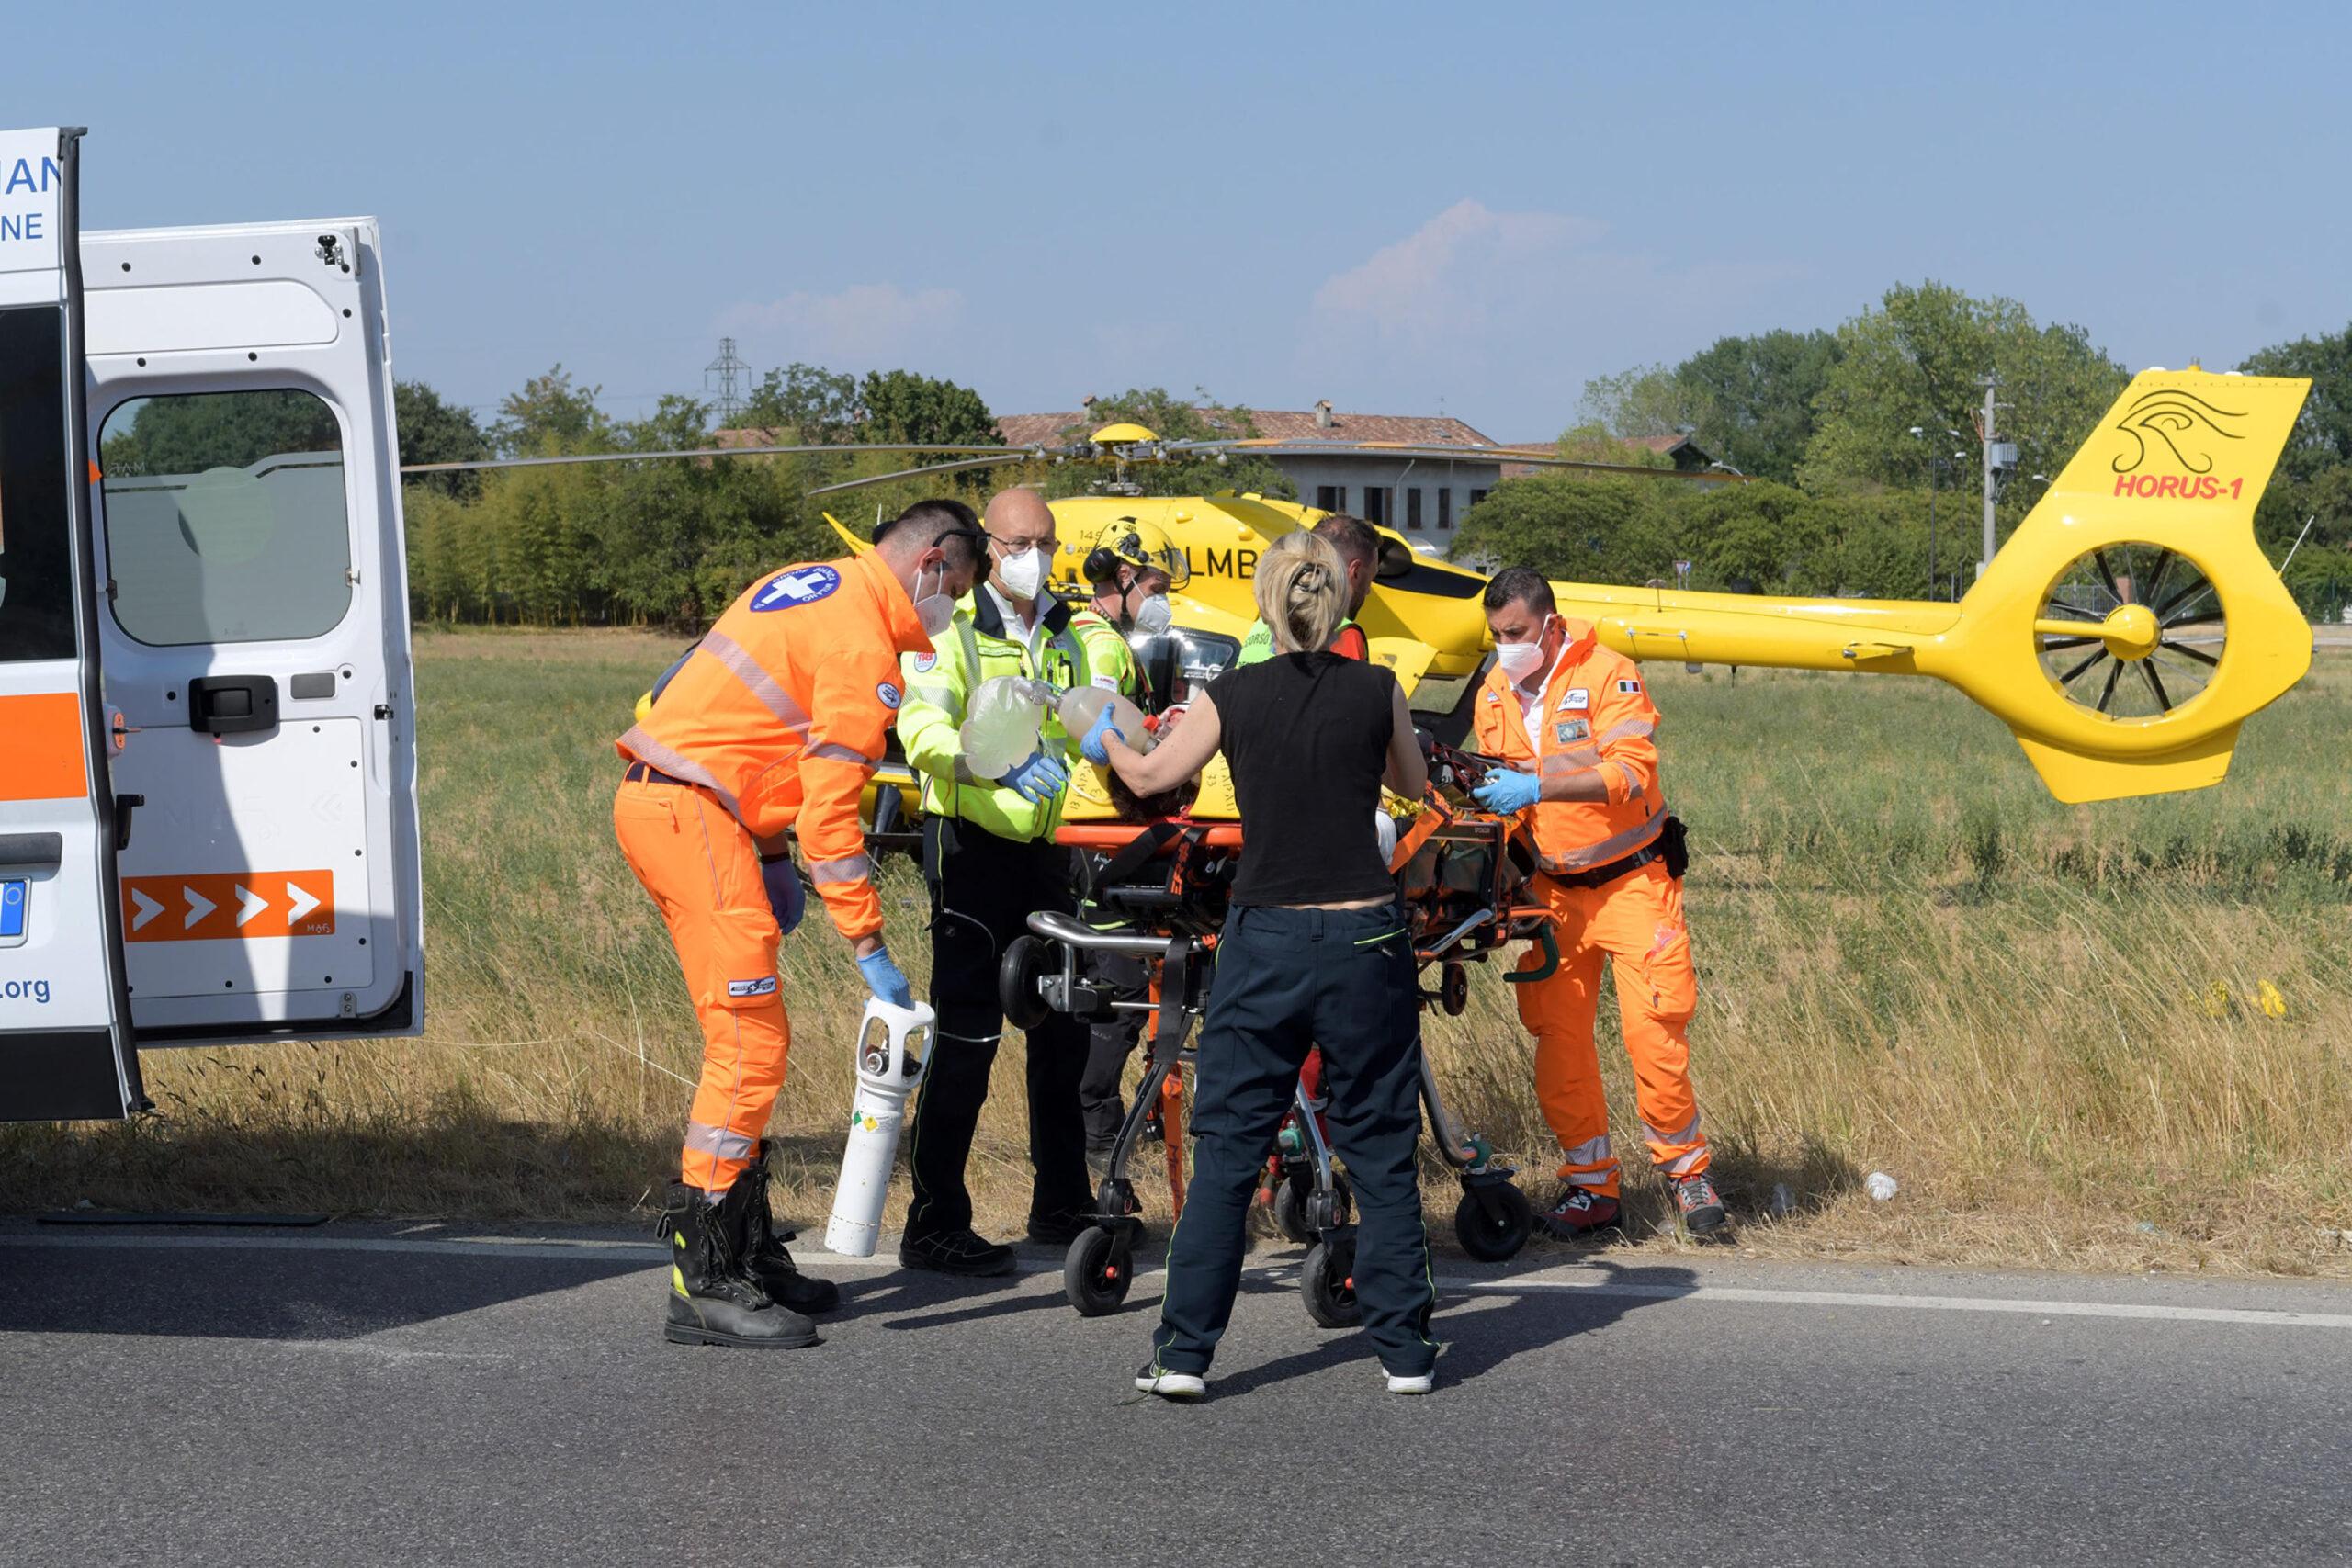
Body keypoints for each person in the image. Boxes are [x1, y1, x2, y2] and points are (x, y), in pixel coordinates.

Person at [615, 500, 983, 1348]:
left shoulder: (811, 584)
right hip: (693, 815)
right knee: (748, 1043)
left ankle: (743, 1250)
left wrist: (771, 854)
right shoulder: (864, 640)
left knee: (750, 1037)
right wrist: (868, 943)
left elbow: (756, 733)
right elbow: (832, 814)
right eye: (955, 591)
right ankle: (703, 1275)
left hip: (689, 807)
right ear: (930, 561)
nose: (950, 611)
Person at [1084, 531, 1441, 1399]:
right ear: (1341, 601)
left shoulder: (1232, 694)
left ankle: (1183, 1356)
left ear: (1265, 604)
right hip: (1362, 932)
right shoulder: (1378, 689)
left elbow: (1152, 772)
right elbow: (1415, 781)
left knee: (1230, 1149)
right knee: (1383, 1152)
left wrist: (1100, 730)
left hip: (1269, 933)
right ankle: (1405, 1353)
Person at [894, 488, 1130, 1275]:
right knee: (968, 1035)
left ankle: (1060, 1201)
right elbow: (923, 730)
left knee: (1063, 1029)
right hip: (971, 848)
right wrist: (991, 760)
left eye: (1048, 543)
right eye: (1022, 543)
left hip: (1054, 850)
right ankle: (934, 1220)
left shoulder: (1072, 630)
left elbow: (1104, 706)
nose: (1037, 557)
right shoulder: (949, 625)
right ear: (990, 547)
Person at [1466, 567, 1725, 1241]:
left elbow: (1628, 773)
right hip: (1552, 892)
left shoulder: (1611, 672)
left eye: (1516, 632)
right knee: (1558, 1041)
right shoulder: (1493, 692)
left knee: (1654, 1036)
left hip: (1634, 882)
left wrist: (1536, 786)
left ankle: (1686, 1175)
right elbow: (1497, 793)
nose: (1505, 646)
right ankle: (1590, 1184)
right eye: (1495, 634)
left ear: (1550, 625)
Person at [1070, 518, 1188, 1166]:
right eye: (1155, 584)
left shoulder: (1099, 638)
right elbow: (1118, 743)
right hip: (1103, 833)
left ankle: (1112, 1118)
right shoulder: (1106, 649)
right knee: (1115, 989)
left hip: (1107, 828)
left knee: (1120, 981)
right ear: (1121, 579)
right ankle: (1096, 1128)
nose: (1161, 597)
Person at [1233, 513, 1377, 665]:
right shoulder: (1344, 633)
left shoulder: (1265, 622)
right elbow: (1349, 687)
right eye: (1370, 579)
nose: (1368, 590)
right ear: (1355, 571)